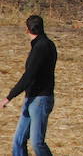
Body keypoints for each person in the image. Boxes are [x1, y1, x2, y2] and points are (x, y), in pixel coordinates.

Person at [1, 15, 57, 156]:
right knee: (18, 141)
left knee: (37, 143)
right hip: (32, 98)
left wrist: (9, 97)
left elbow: (29, 76)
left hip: (40, 99)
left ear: (27, 30)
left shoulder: (41, 47)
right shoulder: (46, 44)